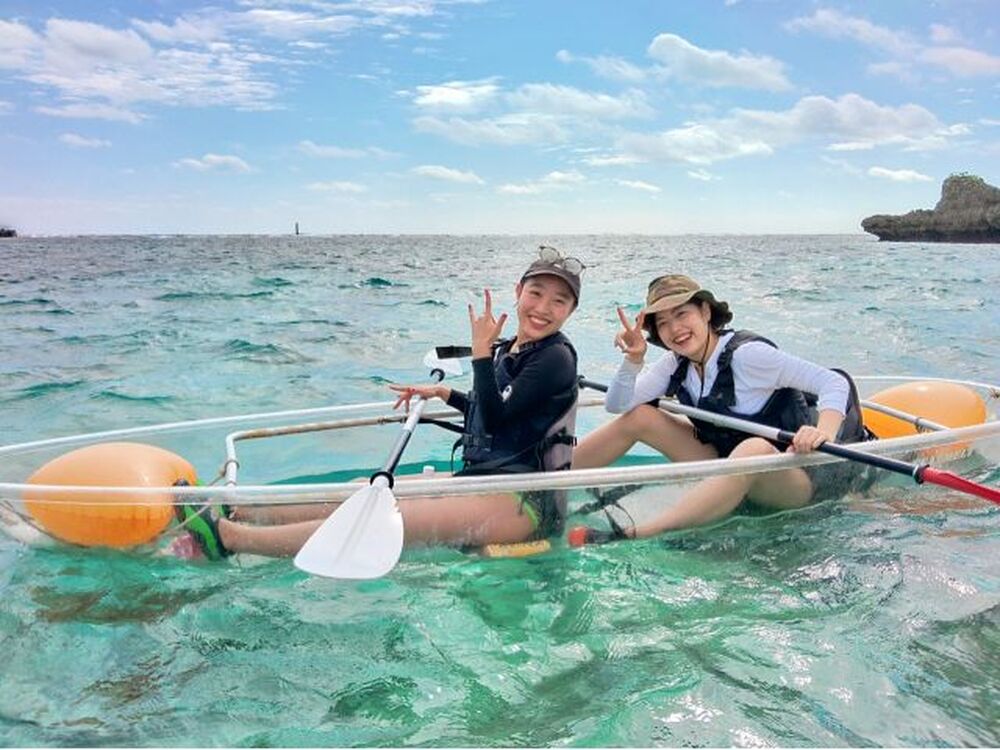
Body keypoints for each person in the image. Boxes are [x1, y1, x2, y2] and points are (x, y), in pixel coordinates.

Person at [175, 246, 585, 559]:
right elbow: (506, 415)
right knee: (361, 491)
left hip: (522, 502)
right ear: (518, 292)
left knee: (377, 518)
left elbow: (496, 419)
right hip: (483, 480)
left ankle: (228, 539)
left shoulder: (555, 358)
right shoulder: (512, 348)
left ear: (570, 311)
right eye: (536, 293)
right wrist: (446, 394)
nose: (543, 308)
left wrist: (479, 355)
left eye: (559, 301)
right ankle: (241, 511)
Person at [569, 273, 870, 544]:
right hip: (726, 462)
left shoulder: (750, 356)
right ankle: (548, 480)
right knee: (640, 416)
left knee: (753, 449)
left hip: (793, 478)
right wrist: (633, 360)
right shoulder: (675, 363)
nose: (675, 329)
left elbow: (834, 382)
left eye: (681, 314)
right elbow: (618, 405)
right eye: (662, 323)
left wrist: (822, 433)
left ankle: (637, 534)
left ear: (705, 312)